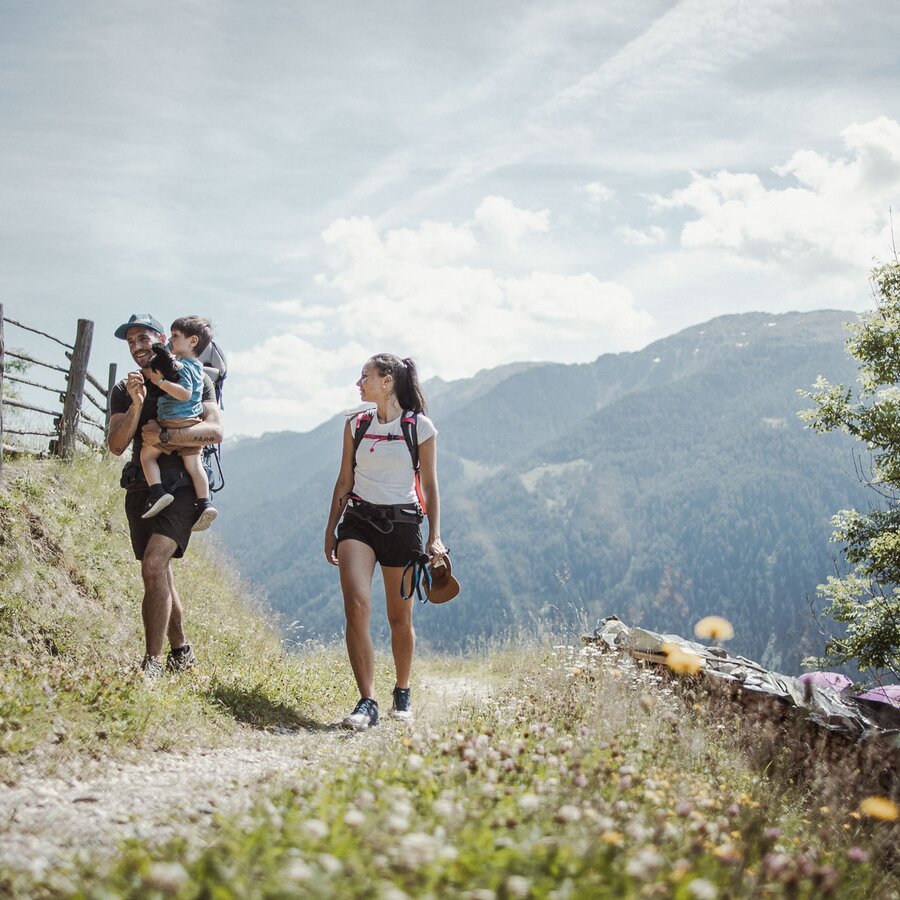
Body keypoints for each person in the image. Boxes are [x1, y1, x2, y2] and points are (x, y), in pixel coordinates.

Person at [324, 353, 447, 729]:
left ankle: (402, 692)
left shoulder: (419, 427)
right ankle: (367, 701)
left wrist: (435, 536)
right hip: (358, 522)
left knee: (399, 618)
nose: (358, 384)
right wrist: (331, 529)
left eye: (365, 376)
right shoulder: (355, 424)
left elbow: (429, 486)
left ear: (388, 381)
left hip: (404, 524)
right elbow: (345, 479)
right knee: (357, 606)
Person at [107, 313, 223, 680]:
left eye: (143, 339)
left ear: (159, 339)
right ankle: (181, 652)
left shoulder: (193, 375)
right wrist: (138, 405)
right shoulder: (125, 389)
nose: (137, 347)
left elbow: (215, 432)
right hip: (141, 487)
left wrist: (168, 439)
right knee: (159, 573)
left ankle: (152, 663)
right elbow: (116, 444)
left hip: (183, 486)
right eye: (130, 342)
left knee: (154, 565)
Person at [139, 316, 218, 532]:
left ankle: (158, 492)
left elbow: (185, 394)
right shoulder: (199, 370)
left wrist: (161, 382)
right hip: (191, 422)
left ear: (192, 341)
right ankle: (205, 503)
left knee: (147, 456)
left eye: (175, 336)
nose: (171, 340)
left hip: (172, 420)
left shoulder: (181, 367)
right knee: (193, 465)